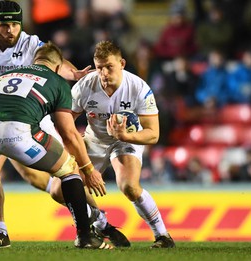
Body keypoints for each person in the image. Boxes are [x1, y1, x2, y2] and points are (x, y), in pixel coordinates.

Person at [0, 0, 128, 248]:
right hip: (18, 123)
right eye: (4, 25)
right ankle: (86, 230)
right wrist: (88, 168)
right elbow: (67, 130)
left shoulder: (28, 44)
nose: (10, 30)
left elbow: (56, 59)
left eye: (14, 24)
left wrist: (73, 71)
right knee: (67, 170)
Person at [71, 40, 175, 248]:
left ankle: (163, 236)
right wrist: (82, 162)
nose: (104, 73)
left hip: (126, 140)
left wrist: (126, 137)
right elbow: (66, 123)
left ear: (122, 63)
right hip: (94, 139)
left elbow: (153, 135)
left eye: (109, 66)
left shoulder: (138, 88)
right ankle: (101, 224)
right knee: (62, 187)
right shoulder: (84, 86)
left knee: (129, 187)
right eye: (99, 67)